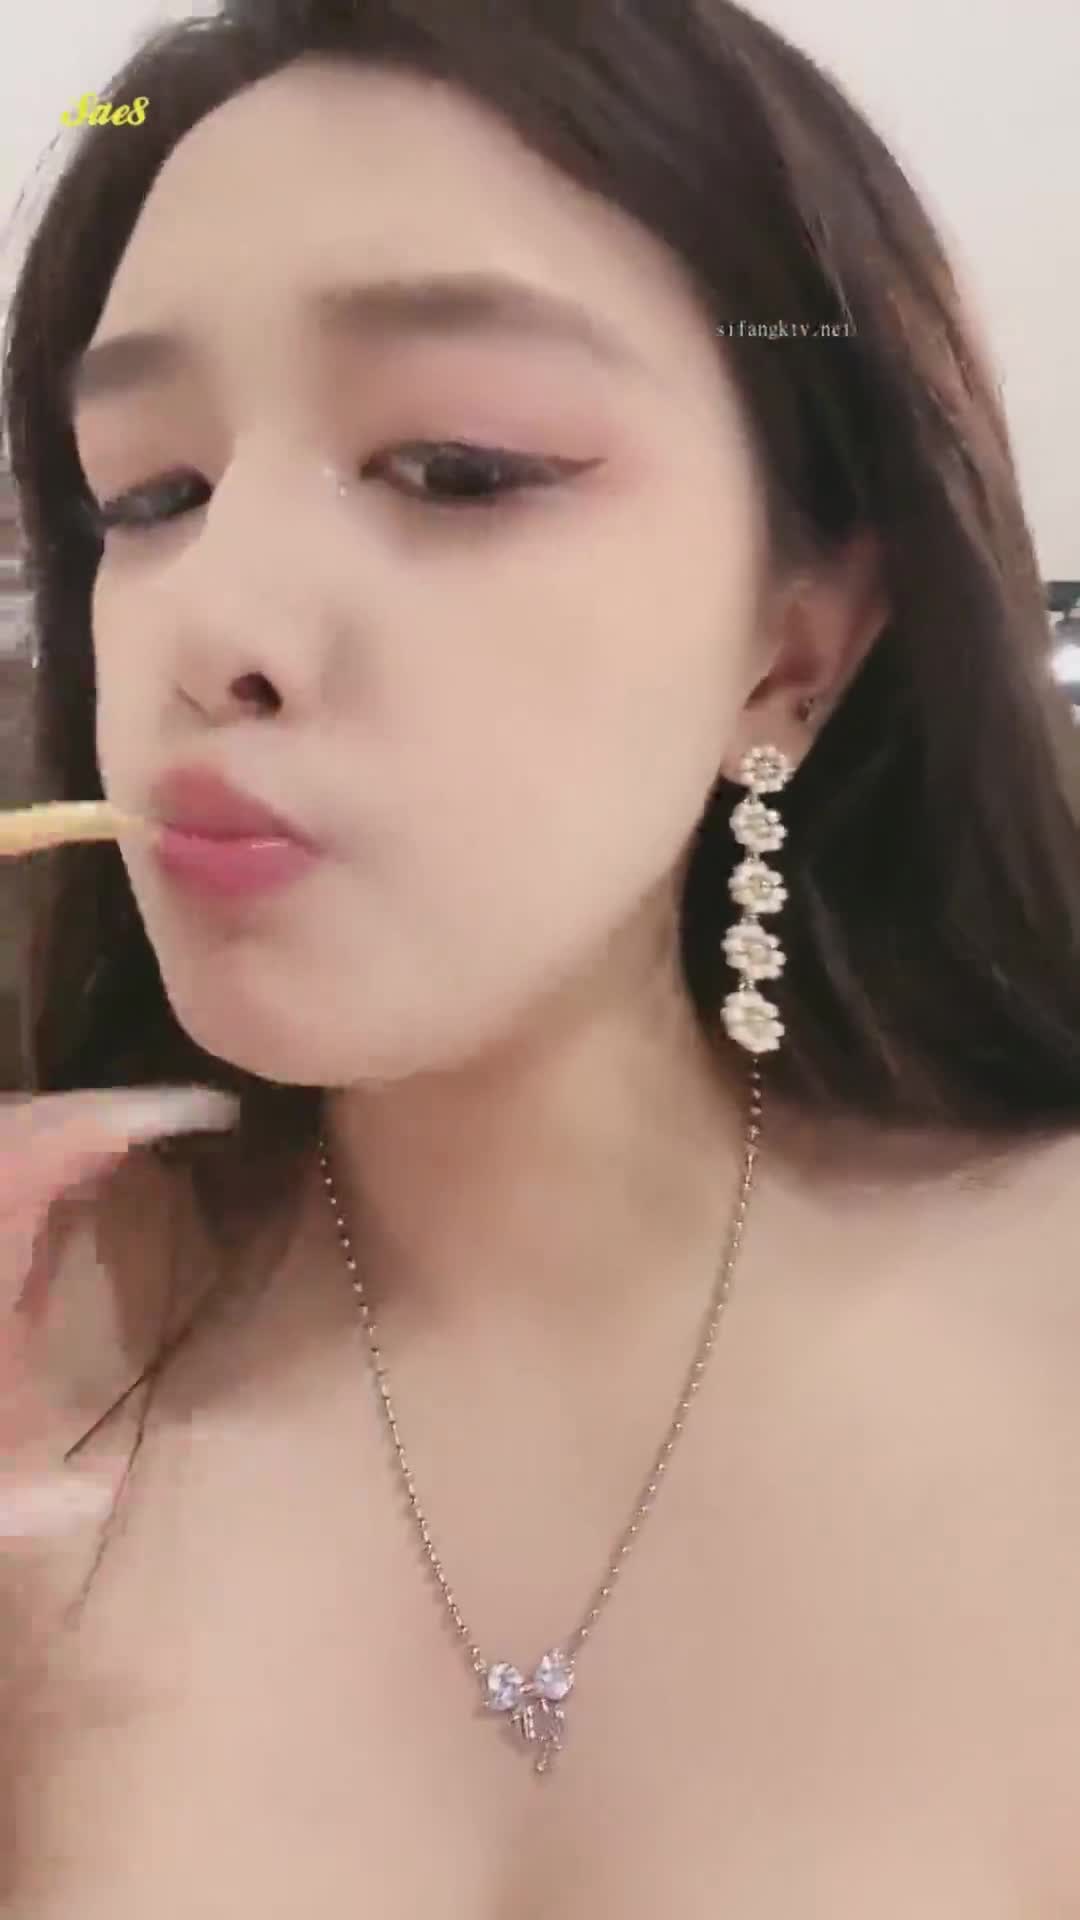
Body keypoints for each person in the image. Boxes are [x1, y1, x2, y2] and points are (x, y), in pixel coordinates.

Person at [3, 0, 1080, 1910]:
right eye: (146, 499)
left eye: (458, 467)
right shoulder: (30, 1362)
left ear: (795, 646)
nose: (208, 623)